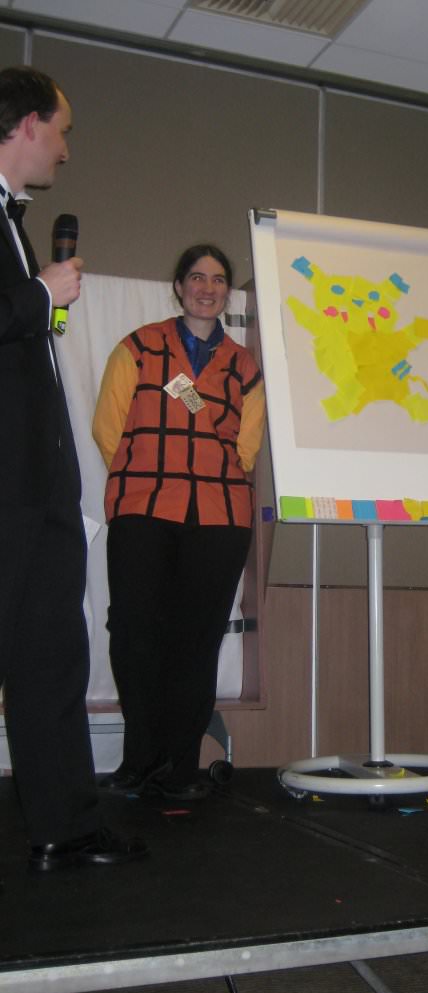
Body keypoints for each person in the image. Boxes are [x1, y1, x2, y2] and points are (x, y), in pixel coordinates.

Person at [0, 66, 147, 870]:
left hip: (38, 485)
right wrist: (38, 294)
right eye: (61, 129)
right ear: (26, 124)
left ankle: (65, 824)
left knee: (54, 658)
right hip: (5, 490)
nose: (65, 147)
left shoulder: (13, 223)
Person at [93, 243, 266, 801]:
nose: (206, 288)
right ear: (178, 286)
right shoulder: (138, 347)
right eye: (196, 277)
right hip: (143, 509)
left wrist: (205, 477)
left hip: (219, 518)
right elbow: (108, 428)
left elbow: (246, 449)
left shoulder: (244, 367)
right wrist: (148, 473)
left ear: (227, 292)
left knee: (197, 639)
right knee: (134, 632)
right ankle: (140, 761)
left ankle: (181, 768)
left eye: (217, 280)